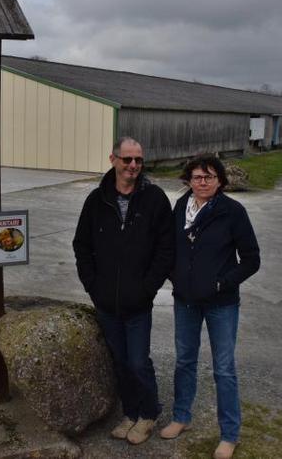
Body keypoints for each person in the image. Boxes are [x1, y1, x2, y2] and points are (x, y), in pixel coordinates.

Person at [73, 137, 174, 445]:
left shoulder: (154, 199)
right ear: (113, 159)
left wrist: (147, 288)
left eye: (138, 161)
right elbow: (82, 245)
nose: (133, 166)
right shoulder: (96, 200)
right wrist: (93, 286)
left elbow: (166, 249)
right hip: (106, 302)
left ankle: (148, 414)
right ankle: (130, 412)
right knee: (119, 360)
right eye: (127, 159)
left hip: (138, 302)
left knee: (138, 361)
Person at [159, 154, 260, 459]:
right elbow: (169, 248)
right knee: (184, 361)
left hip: (221, 304)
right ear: (188, 180)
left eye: (210, 177)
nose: (203, 182)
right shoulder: (180, 208)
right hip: (185, 301)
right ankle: (181, 417)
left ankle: (229, 434)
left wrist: (221, 283)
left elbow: (252, 259)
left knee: (224, 369)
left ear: (220, 181)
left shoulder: (233, 212)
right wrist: (174, 276)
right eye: (197, 177)